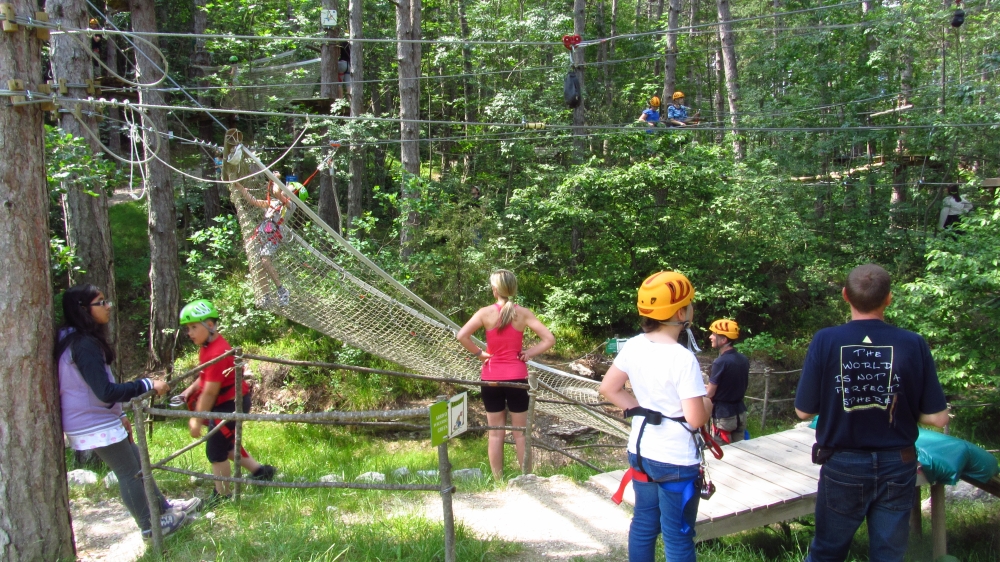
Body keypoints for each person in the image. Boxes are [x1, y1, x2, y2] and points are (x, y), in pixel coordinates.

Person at [795, 264, 950, 562]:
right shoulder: (913, 343)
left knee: (827, 551)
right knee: (889, 555)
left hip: (843, 463)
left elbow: (803, 411)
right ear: (889, 299)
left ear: (845, 295)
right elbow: (938, 418)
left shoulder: (826, 340)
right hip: (898, 463)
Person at [56, 284, 200, 541]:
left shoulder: (76, 339)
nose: (108, 306)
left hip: (98, 417)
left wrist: (118, 415)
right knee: (129, 472)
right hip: (91, 422)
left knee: (137, 461)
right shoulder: (83, 344)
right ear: (83, 309)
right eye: (101, 302)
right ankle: (150, 526)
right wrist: (145, 384)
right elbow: (104, 391)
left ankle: (164, 510)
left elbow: (91, 390)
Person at [599, 271, 712, 562]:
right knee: (677, 534)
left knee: (644, 524)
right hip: (675, 458)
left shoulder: (634, 345)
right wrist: (708, 403)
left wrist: (642, 409)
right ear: (680, 312)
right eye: (690, 303)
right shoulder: (682, 358)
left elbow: (609, 387)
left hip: (641, 450)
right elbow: (696, 419)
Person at [456, 270, 555, 480]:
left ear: (495, 290)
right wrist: (528, 353)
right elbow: (549, 339)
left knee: (495, 433)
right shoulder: (524, 313)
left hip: (491, 378)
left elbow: (462, 335)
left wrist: (480, 354)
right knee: (521, 433)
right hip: (517, 378)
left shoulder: (485, 313)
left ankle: (498, 480)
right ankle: (526, 478)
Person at [177, 300, 276, 503]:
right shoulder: (207, 347)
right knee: (226, 443)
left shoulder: (216, 352)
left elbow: (210, 392)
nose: (190, 333)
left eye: (194, 327)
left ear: (210, 325)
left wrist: (196, 419)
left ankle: (222, 495)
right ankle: (261, 472)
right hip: (225, 402)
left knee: (215, 449)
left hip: (230, 404)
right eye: (188, 328)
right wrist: (188, 391)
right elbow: (204, 376)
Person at [235, 179, 307, 307]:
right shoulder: (273, 203)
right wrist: (240, 188)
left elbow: (276, 190)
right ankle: (266, 296)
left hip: (274, 237)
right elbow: (254, 201)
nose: (285, 190)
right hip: (261, 235)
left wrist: (275, 178)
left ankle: (282, 290)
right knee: (259, 266)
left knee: (265, 260)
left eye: (288, 189)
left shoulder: (290, 206)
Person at [707, 319, 749, 444]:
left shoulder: (720, 362)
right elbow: (731, 384)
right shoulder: (743, 359)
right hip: (740, 412)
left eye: (714, 334)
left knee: (723, 452)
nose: (710, 337)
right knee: (740, 449)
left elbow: (710, 393)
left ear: (724, 340)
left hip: (724, 415)